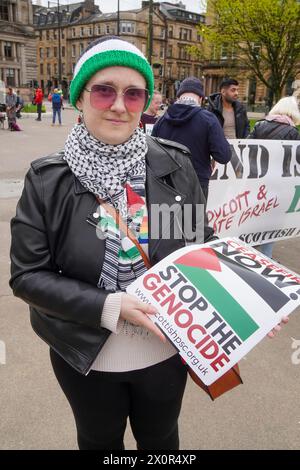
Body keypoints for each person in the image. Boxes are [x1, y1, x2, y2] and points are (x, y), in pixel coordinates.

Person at [9, 36, 215, 451]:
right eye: (104, 91)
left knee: (160, 440)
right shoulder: (47, 179)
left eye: (133, 94)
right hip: (86, 352)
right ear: (80, 99)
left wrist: (245, 300)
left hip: (164, 347)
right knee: (99, 441)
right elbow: (27, 276)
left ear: (146, 103)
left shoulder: (175, 163)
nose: (119, 105)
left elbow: (198, 244)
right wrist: (110, 305)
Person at [152, 76, 231, 201]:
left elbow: (152, 158)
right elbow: (224, 155)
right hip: (196, 187)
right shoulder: (209, 120)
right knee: (192, 221)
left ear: (179, 97)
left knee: (165, 221)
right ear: (200, 98)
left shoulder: (161, 121)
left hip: (166, 187)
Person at [248, 95, 300, 258]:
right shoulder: (292, 132)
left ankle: (248, 253)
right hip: (279, 185)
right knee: (272, 223)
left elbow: (247, 150)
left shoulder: (259, 125)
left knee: (252, 218)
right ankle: (267, 257)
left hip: (256, 181)